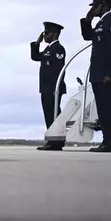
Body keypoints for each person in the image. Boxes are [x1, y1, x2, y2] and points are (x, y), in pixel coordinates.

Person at [80, 0, 111, 153]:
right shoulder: (100, 23)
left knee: (109, 109)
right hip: (98, 73)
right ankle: (107, 141)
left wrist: (110, 73)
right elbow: (87, 36)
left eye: (95, 6)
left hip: (107, 73)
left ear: (104, 5)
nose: (94, 9)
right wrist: (87, 20)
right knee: (103, 110)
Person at [30, 21, 67, 151]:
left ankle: (55, 141)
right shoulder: (48, 49)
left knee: (53, 114)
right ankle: (53, 140)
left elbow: (58, 70)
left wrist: (55, 89)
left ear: (54, 34)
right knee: (49, 114)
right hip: (46, 87)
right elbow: (35, 57)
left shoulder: (58, 49)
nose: (44, 35)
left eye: (46, 33)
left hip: (53, 88)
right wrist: (37, 42)